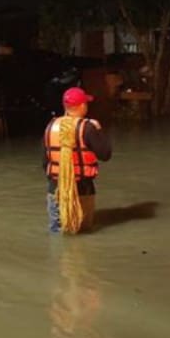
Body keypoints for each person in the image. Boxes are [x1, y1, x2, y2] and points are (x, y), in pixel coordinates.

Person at [43, 87, 112, 233]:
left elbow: (45, 163)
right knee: (82, 236)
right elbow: (105, 154)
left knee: (57, 233)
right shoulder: (88, 128)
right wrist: (99, 130)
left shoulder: (50, 126)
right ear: (82, 106)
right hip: (82, 191)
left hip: (55, 191)